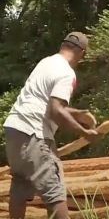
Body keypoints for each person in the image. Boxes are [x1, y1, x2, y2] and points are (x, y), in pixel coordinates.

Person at [3, 31, 101, 219]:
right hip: (35, 134)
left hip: (15, 131)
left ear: (63, 45)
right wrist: (84, 132)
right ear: (82, 53)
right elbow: (56, 111)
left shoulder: (46, 62)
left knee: (20, 186)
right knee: (54, 191)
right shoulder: (66, 73)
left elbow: (46, 105)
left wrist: (78, 114)